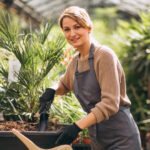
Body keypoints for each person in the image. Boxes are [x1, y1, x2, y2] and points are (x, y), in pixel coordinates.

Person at [39, 6, 142, 150]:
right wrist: (52, 89)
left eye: (77, 27)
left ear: (88, 27)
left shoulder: (104, 55)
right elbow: (64, 84)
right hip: (98, 140)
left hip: (121, 138)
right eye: (67, 29)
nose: (72, 33)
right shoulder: (75, 61)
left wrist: (76, 127)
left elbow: (110, 103)